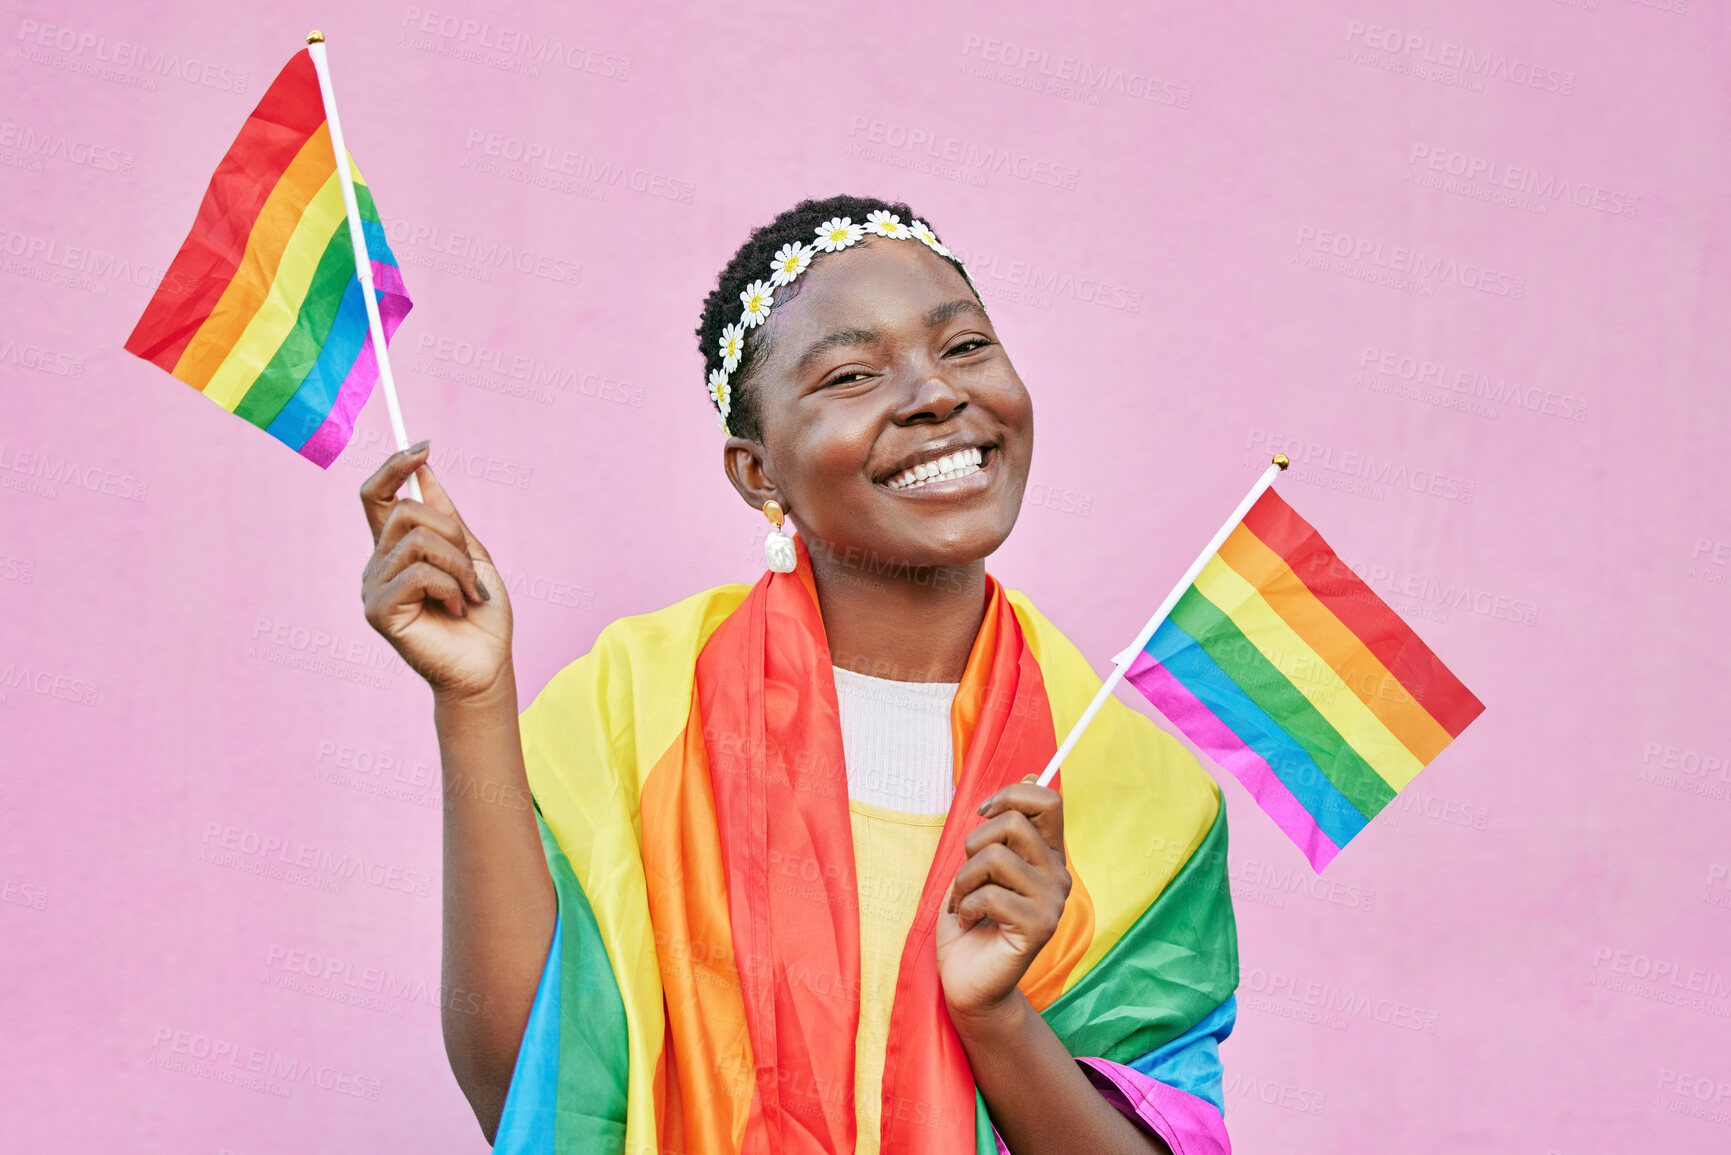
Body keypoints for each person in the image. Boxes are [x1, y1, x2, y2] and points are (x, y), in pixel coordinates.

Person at [358, 195, 1239, 1155]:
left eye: (966, 347)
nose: (936, 393)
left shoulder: (1136, 781)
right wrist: (473, 700)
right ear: (756, 471)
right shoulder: (640, 705)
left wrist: (996, 1018)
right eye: (853, 373)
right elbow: (527, 1090)